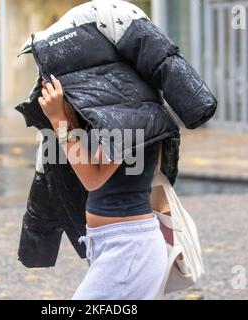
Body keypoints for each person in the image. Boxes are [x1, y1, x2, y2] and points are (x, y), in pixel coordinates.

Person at [38, 74, 168, 300]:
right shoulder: (118, 106)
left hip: (128, 248)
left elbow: (92, 178)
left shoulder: (132, 111)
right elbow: (88, 157)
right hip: (114, 243)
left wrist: (59, 119)